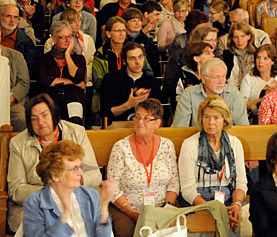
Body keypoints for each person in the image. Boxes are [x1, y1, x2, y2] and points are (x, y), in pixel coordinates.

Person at [7, 94, 102, 233]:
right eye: (34, 119)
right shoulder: (18, 143)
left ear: (54, 114)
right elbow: (15, 190)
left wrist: (74, 184)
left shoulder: (77, 132)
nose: (41, 122)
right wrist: (52, 193)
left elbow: (95, 175)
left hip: (75, 198)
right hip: (36, 203)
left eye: (45, 115)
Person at [106, 99, 179, 237]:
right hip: (127, 209)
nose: (139, 122)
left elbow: (174, 182)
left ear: (157, 123)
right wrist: (131, 212)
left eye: (146, 119)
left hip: (161, 207)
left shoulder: (167, 146)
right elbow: (113, 187)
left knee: (170, 228)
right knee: (125, 230)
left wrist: (167, 207)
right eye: (137, 117)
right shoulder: (120, 148)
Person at [177, 96, 248, 232]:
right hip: (198, 200)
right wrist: (214, 210)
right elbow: (187, 189)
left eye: (216, 117)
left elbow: (241, 183)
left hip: (228, 198)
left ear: (224, 120)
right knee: (216, 224)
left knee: (242, 221)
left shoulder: (234, 144)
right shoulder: (190, 144)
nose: (211, 123)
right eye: (206, 117)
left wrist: (236, 204)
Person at [22, 140, 116, 237]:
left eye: (80, 167)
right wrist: (65, 216)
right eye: (75, 169)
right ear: (55, 175)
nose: (81, 173)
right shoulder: (35, 203)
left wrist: (103, 207)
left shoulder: (91, 195)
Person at [172, 58, 249, 126]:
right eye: (216, 77)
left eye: (223, 77)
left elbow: (243, 128)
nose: (221, 82)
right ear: (203, 79)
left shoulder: (234, 95)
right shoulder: (188, 95)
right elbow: (179, 129)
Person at [98, 43, 162, 124]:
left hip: (145, 127)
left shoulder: (152, 81)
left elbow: (158, 115)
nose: (137, 62)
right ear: (124, 61)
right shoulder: (110, 79)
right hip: (117, 128)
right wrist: (128, 105)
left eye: (140, 57)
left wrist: (146, 102)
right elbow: (105, 113)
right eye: (132, 58)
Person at [40, 20, 89, 124]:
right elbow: (45, 81)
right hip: (51, 98)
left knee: (75, 122)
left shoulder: (78, 59)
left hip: (73, 97)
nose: (67, 40)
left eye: (69, 36)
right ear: (54, 39)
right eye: (62, 37)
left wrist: (67, 55)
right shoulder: (44, 59)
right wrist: (71, 82)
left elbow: (77, 77)